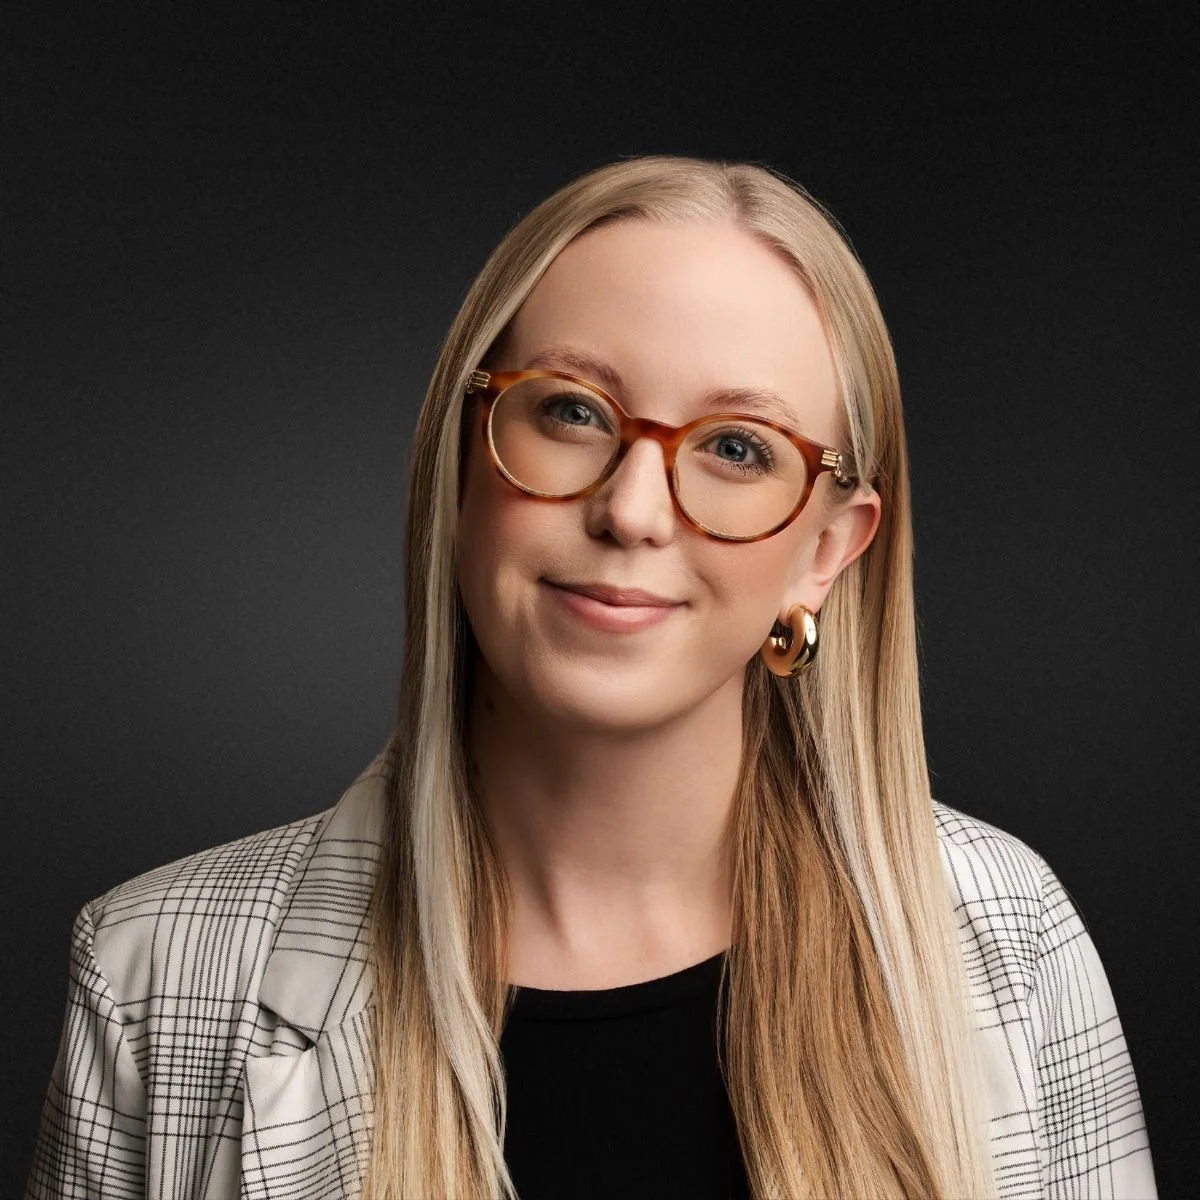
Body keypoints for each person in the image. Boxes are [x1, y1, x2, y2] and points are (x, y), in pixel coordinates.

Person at [27, 155, 1157, 1200]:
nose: (628, 509)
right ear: (463, 455)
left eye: (736, 447)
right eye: (572, 411)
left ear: (825, 549)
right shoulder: (153, 973)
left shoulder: (1011, 937)